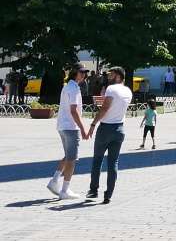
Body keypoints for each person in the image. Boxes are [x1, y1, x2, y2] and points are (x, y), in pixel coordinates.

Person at [86, 65, 133, 203]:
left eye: (111, 74)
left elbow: (105, 108)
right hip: (120, 128)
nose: (108, 76)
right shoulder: (128, 91)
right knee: (113, 162)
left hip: (105, 128)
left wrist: (93, 124)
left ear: (118, 76)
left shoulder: (111, 89)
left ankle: (93, 190)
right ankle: (108, 194)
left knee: (97, 159)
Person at [46, 65, 89, 200]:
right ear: (75, 73)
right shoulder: (73, 88)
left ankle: (54, 181)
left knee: (68, 156)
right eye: (82, 72)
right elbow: (73, 110)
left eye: (85, 72)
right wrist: (82, 128)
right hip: (70, 127)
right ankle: (64, 190)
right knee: (72, 159)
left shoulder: (68, 86)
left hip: (63, 126)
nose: (84, 75)